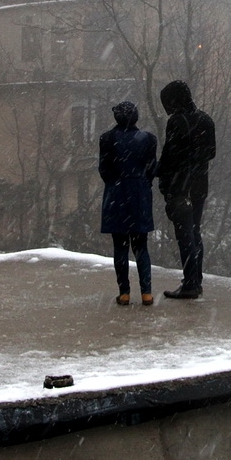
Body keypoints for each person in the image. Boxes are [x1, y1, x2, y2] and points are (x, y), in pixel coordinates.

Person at [157, 80, 215, 299]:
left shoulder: (177, 122)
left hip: (181, 187)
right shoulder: (206, 120)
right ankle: (195, 281)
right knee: (195, 232)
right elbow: (211, 152)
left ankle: (190, 282)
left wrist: (158, 172)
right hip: (199, 186)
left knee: (185, 235)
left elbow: (169, 156)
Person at [98, 100, 159, 306]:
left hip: (117, 193)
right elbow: (152, 169)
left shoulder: (107, 139)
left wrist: (117, 181)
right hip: (140, 194)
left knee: (120, 246)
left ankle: (124, 293)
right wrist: (142, 182)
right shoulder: (148, 139)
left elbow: (104, 170)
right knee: (141, 245)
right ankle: (147, 293)